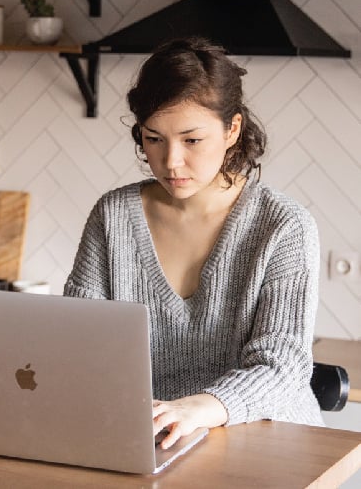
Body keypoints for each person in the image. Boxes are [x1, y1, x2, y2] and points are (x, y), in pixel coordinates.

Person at [63, 36, 324, 449]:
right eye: (153, 139)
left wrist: (198, 408)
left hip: (265, 444)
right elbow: (78, 342)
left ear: (232, 129)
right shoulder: (112, 216)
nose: (171, 161)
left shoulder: (283, 225)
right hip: (150, 439)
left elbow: (282, 368)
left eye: (192, 140)